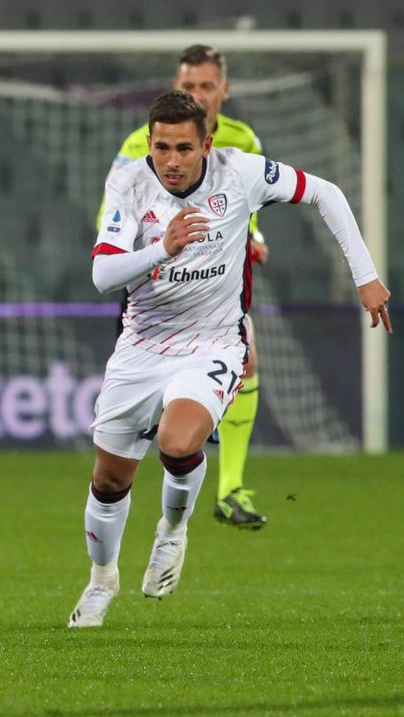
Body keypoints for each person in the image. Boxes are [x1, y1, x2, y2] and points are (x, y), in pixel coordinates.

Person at [68, 90, 390, 628]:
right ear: (150, 143)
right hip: (141, 345)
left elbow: (326, 193)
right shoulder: (128, 182)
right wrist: (161, 249)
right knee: (109, 481)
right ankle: (101, 581)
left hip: (213, 341)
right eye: (163, 147)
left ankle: (172, 533)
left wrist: (365, 275)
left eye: (184, 149)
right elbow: (103, 276)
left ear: (206, 146)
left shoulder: (241, 172)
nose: (172, 160)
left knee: (178, 440)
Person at [100, 45, 271, 528]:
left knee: (248, 357)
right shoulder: (140, 145)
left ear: (224, 90)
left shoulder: (241, 140)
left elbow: (248, 205)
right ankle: (142, 492)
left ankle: (231, 487)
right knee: (141, 423)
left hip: (212, 289)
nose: (198, 94)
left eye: (206, 86)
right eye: (188, 86)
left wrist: (254, 238)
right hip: (153, 290)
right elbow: (110, 225)